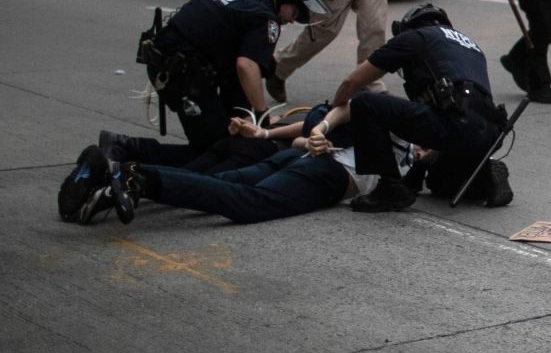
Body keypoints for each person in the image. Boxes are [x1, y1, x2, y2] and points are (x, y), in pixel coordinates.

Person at [310, 3, 514, 212]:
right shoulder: (471, 46)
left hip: (456, 126)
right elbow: (458, 111)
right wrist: (420, 167)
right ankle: (482, 177)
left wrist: (332, 113)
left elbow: (351, 83)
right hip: (489, 133)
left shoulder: (416, 37)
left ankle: (388, 187)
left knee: (365, 101)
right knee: (439, 183)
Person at [123, 0, 326, 169]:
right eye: (294, 12)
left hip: (167, 64)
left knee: (219, 140)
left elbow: (229, 59)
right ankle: (128, 156)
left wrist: (243, 111)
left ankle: (128, 153)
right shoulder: (265, 18)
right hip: (183, 77)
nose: (291, 20)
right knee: (216, 150)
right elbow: (246, 66)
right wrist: (262, 117)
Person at [59, 105, 370, 226]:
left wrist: (276, 133)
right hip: (324, 172)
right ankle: (134, 176)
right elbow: (349, 106)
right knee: (247, 203)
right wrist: (320, 131)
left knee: (217, 183)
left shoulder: (394, 128)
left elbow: (309, 137)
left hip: (298, 157)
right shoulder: (404, 124)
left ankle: (107, 178)